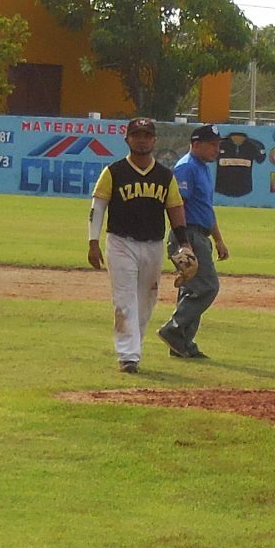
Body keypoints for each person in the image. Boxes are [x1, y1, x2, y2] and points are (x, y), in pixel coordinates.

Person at [83, 117, 182, 373]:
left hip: (153, 245)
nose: (141, 139)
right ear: (127, 139)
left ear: (154, 140)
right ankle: (129, 356)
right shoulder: (114, 172)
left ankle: (133, 348)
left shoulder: (164, 176)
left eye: (146, 135)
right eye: (136, 135)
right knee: (124, 300)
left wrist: (184, 244)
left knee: (146, 301)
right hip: (120, 242)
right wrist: (93, 241)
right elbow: (98, 207)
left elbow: (175, 209)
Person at [153, 124, 229, 361]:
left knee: (192, 289)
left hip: (200, 234)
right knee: (207, 287)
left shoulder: (202, 168)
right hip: (189, 235)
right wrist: (184, 242)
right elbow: (178, 206)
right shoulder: (186, 167)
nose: (217, 150)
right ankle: (173, 330)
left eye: (218, 145)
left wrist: (218, 239)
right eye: (213, 145)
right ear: (196, 144)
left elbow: (206, 208)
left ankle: (182, 344)